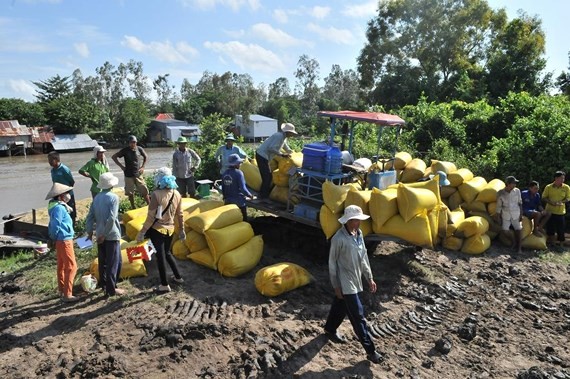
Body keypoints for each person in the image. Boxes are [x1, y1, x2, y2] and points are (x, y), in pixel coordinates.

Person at [323, 205, 383, 364]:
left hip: (355, 278)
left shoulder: (359, 234)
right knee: (358, 316)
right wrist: (336, 286)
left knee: (340, 305)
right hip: (345, 281)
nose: (358, 223)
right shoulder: (338, 238)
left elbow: (363, 257)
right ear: (348, 221)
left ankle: (329, 329)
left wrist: (369, 278)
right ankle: (371, 351)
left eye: (359, 220)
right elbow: (332, 264)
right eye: (355, 220)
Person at [137, 167, 185, 293]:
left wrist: (142, 232)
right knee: (168, 253)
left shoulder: (156, 194)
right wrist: (182, 230)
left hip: (157, 230)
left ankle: (164, 285)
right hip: (170, 229)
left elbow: (150, 217)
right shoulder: (177, 193)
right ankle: (178, 277)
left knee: (160, 256)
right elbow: (180, 214)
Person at [85, 172, 125, 297]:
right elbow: (112, 218)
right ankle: (111, 289)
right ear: (112, 185)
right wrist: (106, 234)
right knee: (115, 262)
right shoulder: (113, 197)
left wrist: (90, 232)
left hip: (99, 233)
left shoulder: (97, 197)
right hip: (111, 234)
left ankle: (104, 284)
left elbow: (90, 216)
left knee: (103, 261)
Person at [46, 182, 79, 303]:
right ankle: (67, 294)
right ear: (60, 196)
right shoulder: (59, 208)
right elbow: (55, 225)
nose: (68, 195)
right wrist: (53, 237)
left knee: (62, 265)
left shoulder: (57, 206)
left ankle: (62, 290)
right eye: (66, 193)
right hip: (64, 240)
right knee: (71, 267)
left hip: (61, 240)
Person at [255, 122, 297, 199]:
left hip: (264, 156)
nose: (292, 135)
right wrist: (281, 154)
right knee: (267, 177)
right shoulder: (279, 136)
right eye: (291, 133)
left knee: (268, 177)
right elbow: (271, 148)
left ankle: (263, 195)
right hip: (262, 155)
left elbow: (285, 147)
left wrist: (293, 153)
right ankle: (262, 196)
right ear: (287, 132)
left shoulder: (283, 137)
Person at [112, 135, 150, 209]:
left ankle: (150, 205)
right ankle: (133, 207)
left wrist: (143, 167)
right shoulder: (125, 150)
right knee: (130, 193)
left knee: (144, 190)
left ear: (136, 142)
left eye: (134, 142)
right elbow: (114, 157)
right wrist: (122, 167)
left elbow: (146, 156)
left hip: (138, 174)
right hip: (128, 174)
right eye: (131, 142)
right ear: (128, 143)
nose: (132, 144)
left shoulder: (139, 149)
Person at [495, 176, 523, 254]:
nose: (515, 185)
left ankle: (519, 248)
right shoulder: (501, 193)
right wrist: (498, 217)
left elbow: (520, 203)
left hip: (516, 213)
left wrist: (521, 214)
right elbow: (499, 206)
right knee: (505, 230)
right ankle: (514, 241)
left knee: (519, 230)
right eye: (513, 183)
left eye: (515, 183)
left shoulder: (517, 191)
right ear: (508, 184)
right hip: (506, 214)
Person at [542, 171, 570, 246]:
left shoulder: (566, 187)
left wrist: (562, 201)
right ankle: (552, 243)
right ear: (556, 178)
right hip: (550, 211)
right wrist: (551, 202)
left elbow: (568, 198)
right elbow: (544, 197)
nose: (562, 180)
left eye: (563, 178)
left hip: (560, 211)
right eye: (561, 178)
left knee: (561, 229)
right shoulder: (548, 187)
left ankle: (561, 245)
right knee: (550, 228)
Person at [48, 151, 76, 225]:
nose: (49, 162)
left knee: (71, 212)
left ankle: (72, 227)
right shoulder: (52, 170)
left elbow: (72, 182)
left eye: (51, 160)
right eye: (48, 160)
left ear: (57, 160)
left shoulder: (64, 169)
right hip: (57, 194)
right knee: (59, 211)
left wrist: (66, 192)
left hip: (67, 194)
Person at [222, 154, 253, 221]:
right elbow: (243, 189)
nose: (240, 164)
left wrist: (225, 197)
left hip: (228, 202)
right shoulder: (239, 173)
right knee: (243, 221)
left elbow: (223, 188)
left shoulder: (225, 173)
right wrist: (250, 196)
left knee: (231, 221)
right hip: (239, 202)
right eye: (239, 163)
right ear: (236, 164)